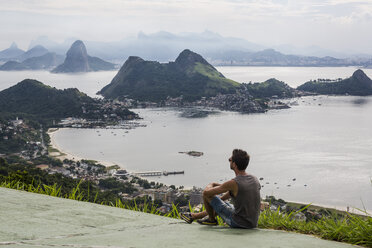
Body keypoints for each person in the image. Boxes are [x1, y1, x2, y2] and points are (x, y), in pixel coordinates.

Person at [180, 149, 261, 228]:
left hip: (238, 223)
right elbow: (236, 192)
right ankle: (194, 216)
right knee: (226, 205)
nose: (229, 160)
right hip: (252, 223)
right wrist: (217, 202)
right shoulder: (254, 179)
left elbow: (206, 193)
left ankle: (211, 220)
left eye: (230, 159)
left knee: (207, 195)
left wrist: (211, 184)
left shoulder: (234, 183)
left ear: (234, 164)